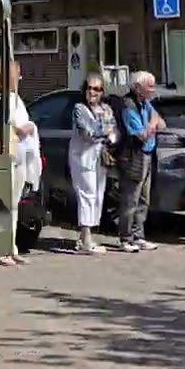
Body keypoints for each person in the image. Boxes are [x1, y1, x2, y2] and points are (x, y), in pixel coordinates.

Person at [0, 60, 37, 266]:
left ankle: (11, 246)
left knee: (14, 204)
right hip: (6, 156)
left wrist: (29, 128)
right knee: (3, 203)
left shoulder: (17, 99)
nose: (20, 76)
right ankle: (0, 248)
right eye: (17, 72)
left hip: (21, 156)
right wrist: (17, 130)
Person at [69, 74, 117, 255]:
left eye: (97, 89)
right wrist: (104, 132)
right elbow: (86, 133)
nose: (92, 92)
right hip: (82, 158)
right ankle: (86, 238)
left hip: (99, 158)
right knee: (86, 195)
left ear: (102, 92)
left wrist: (104, 133)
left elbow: (114, 133)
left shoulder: (106, 109)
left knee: (98, 194)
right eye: (89, 88)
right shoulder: (79, 109)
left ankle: (84, 238)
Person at [116, 70, 163, 253]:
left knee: (144, 198)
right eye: (149, 86)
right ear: (137, 88)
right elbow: (141, 135)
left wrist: (153, 123)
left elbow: (161, 121)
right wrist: (152, 124)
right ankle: (125, 237)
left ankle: (139, 235)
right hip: (133, 155)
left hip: (149, 154)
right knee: (130, 198)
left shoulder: (146, 104)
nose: (152, 90)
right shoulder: (129, 106)